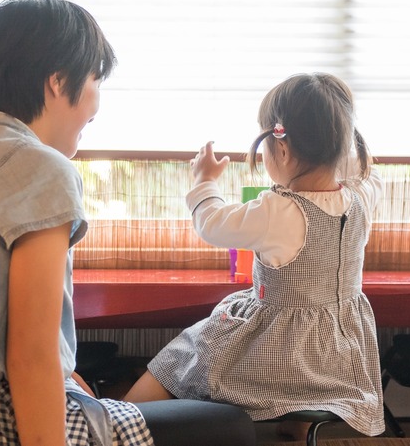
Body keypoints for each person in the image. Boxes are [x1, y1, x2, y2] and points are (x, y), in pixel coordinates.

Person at [0, 0, 255, 446]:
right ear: (57, 82)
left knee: (115, 401)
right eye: (93, 78)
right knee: (228, 425)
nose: (96, 100)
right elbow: (31, 355)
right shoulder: (41, 166)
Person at [124, 72, 386, 439]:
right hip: (337, 357)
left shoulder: (279, 210)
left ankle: (123, 419)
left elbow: (212, 222)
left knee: (184, 354)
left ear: (281, 148)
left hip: (276, 354)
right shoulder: (363, 197)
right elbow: (366, 172)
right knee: (301, 389)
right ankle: (295, 431)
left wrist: (204, 181)